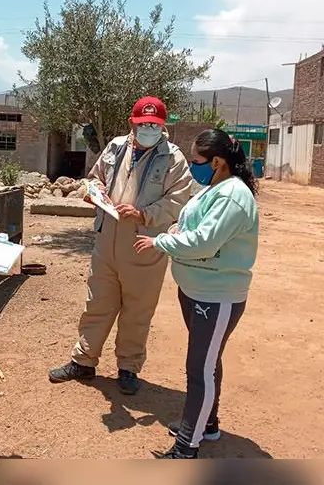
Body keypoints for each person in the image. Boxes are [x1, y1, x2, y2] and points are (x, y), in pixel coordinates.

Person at [49, 96, 193, 395]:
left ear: (163, 126)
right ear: (133, 123)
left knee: (137, 310)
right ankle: (84, 360)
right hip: (107, 242)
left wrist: (144, 213)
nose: (149, 129)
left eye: (155, 125)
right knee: (97, 303)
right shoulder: (115, 147)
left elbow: (179, 199)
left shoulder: (173, 158)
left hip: (143, 244)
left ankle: (128, 368)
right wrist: (94, 190)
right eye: (143, 124)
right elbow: (94, 178)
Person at [134, 129, 259, 459]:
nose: (193, 165)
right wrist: (176, 230)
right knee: (207, 362)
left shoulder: (233, 195)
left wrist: (161, 241)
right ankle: (207, 425)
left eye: (197, 160)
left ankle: (186, 447)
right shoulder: (214, 188)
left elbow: (205, 242)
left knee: (199, 370)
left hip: (216, 298)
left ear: (217, 162)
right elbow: (195, 226)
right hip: (197, 290)